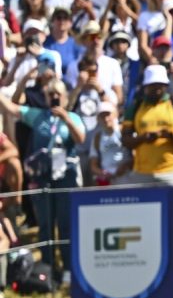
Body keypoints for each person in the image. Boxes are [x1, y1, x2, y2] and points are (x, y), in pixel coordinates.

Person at [0, 77, 83, 276]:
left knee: (64, 224)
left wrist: (66, 118)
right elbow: (12, 109)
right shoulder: (38, 116)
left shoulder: (73, 116)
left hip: (65, 177)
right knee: (45, 225)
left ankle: (68, 270)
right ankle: (48, 268)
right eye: (50, 94)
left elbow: (80, 139)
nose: (54, 98)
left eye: (58, 95)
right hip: (42, 178)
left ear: (64, 97)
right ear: (45, 97)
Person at [120, 65, 173, 187]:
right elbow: (125, 139)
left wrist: (170, 135)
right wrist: (143, 138)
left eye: (160, 85)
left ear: (166, 85)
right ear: (145, 87)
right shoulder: (135, 107)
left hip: (171, 172)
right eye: (152, 85)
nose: (157, 89)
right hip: (142, 173)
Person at [88, 102, 130, 185]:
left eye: (108, 115)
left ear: (115, 115)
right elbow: (93, 165)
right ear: (98, 119)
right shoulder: (97, 137)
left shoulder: (125, 131)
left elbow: (135, 155)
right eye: (102, 116)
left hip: (127, 178)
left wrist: (125, 167)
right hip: (107, 181)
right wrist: (101, 173)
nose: (106, 119)